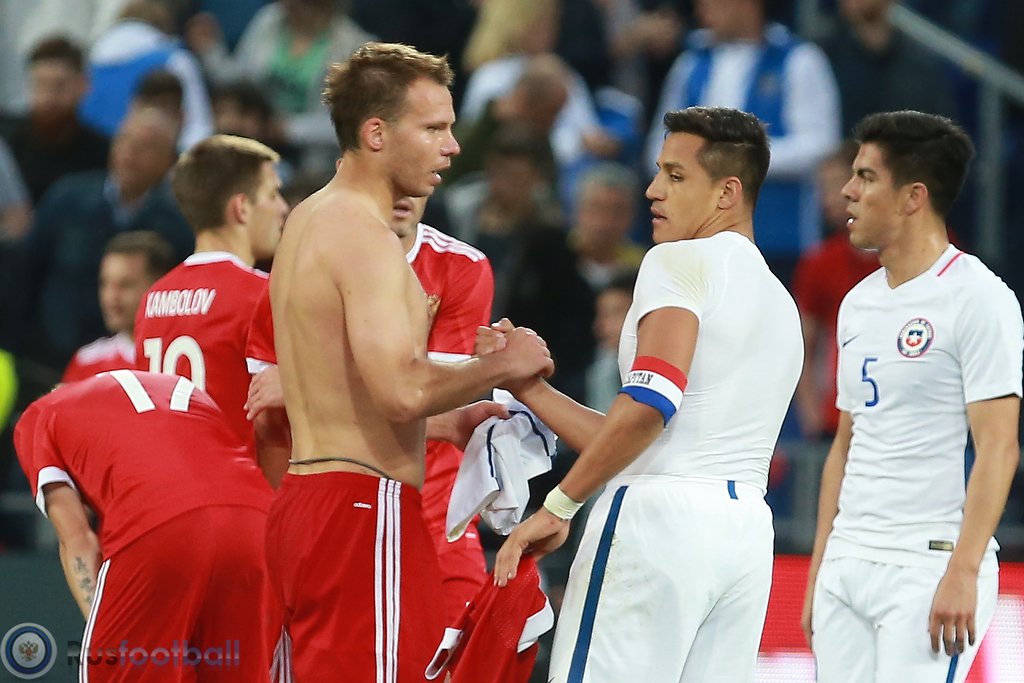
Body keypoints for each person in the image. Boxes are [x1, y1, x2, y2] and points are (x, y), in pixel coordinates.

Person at [264, 42, 554, 681]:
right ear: (376, 133)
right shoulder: (366, 237)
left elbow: (351, 387)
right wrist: (505, 365)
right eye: (433, 129)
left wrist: (450, 420)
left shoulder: (309, 219)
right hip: (362, 513)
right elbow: (401, 391)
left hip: (306, 503)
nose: (452, 147)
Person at [489, 106, 803, 683]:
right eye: (658, 172)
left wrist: (560, 504)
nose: (653, 190)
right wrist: (527, 387)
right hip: (746, 534)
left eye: (676, 175)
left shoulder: (676, 260)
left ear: (727, 193)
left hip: (655, 523)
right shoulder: (781, 302)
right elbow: (638, 437)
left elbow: (651, 405)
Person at [801, 111, 1023, 682]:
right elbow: (845, 445)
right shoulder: (858, 303)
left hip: (926, 564)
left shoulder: (978, 298)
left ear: (913, 197)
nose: (847, 191)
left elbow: (998, 448)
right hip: (848, 560)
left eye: (866, 177)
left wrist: (963, 570)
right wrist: (821, 566)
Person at [246, 193, 496, 622]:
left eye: (415, 182)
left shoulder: (459, 265)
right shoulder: (296, 268)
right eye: (390, 181)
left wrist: (302, 384)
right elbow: (266, 416)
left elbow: (423, 398)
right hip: (327, 517)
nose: (402, 197)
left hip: (433, 519)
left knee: (460, 647)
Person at [13, 370, 274, 681]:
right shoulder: (173, 385)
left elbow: (78, 539)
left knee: (112, 668)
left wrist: (103, 618)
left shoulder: (41, 414)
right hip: (255, 518)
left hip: (159, 519)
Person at [644, 0, 840, 286]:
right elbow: (658, 142)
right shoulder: (691, 62)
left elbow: (820, 143)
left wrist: (732, 160)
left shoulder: (799, 59)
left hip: (780, 241)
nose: (701, 12)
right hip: (695, 240)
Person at [134, 134, 288, 458]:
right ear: (241, 208)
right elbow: (273, 420)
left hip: (170, 475)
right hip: (238, 479)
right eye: (272, 194)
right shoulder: (261, 293)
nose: (283, 208)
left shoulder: (152, 300)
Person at [63, 231, 176, 383]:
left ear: (158, 286)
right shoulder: (86, 363)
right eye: (105, 284)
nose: (111, 297)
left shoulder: (182, 357)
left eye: (125, 285)